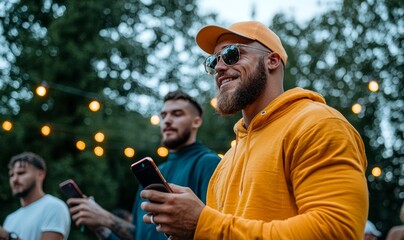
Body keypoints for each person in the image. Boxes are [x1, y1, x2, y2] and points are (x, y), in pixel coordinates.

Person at [139, 20, 369, 239]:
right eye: (213, 61)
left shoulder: (317, 124)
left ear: (272, 60)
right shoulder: (226, 161)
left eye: (231, 54)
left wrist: (203, 223)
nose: (219, 67)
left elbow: (337, 232)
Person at [67, 90, 221, 240]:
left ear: (197, 121)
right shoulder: (156, 170)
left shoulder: (209, 163)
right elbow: (139, 234)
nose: (167, 120)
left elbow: (211, 230)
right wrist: (101, 227)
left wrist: (106, 218)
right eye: (163, 115)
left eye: (177, 114)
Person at [0, 152, 71, 240]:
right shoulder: (10, 219)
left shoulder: (54, 206)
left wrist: (8, 237)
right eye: (11, 175)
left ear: (40, 174)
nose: (14, 179)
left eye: (21, 173)